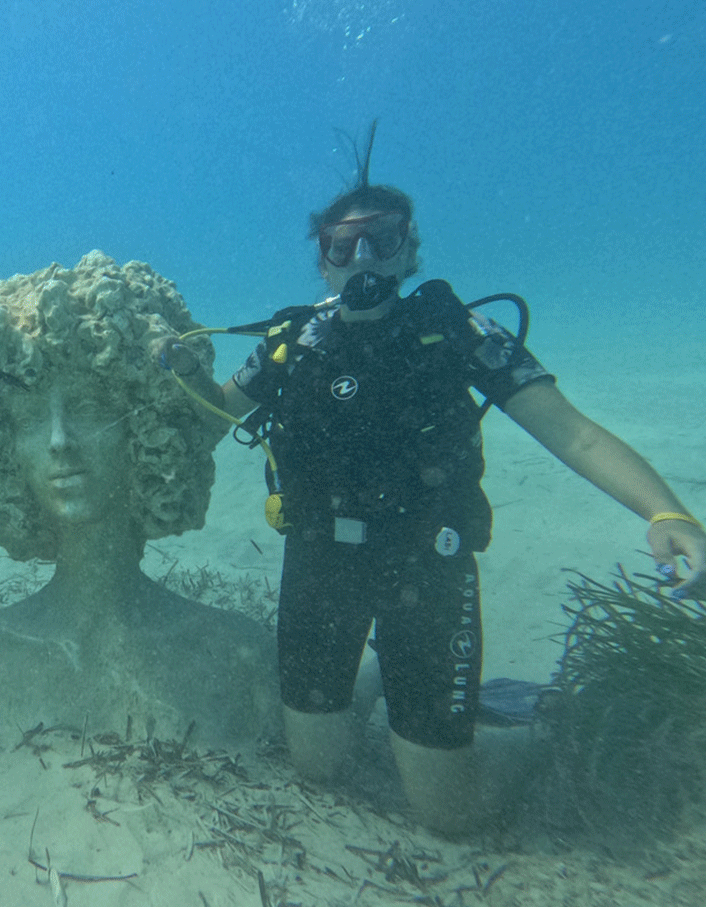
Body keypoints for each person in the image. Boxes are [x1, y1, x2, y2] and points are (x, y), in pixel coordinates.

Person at [156, 134, 706, 834]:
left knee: (451, 813)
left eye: (381, 241)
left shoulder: (458, 332)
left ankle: (531, 735)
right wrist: (180, 369)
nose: (362, 261)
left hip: (428, 568)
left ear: (411, 250)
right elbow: (213, 414)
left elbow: (575, 433)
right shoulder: (291, 345)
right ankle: (389, 681)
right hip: (320, 566)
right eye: (341, 245)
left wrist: (667, 511)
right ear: (322, 259)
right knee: (318, 766)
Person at [0, 252, 277, 748]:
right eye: (29, 419)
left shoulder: (247, 661)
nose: (59, 441)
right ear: (0, 445)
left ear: (148, 424)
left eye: (89, 408)